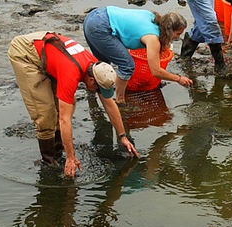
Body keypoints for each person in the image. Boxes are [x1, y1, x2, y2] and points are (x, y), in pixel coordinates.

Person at [8, 31, 138, 177]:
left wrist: (123, 137)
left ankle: (58, 155)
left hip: (50, 51)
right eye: (98, 89)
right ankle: (49, 163)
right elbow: (65, 119)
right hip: (25, 52)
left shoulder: (97, 68)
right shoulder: (71, 74)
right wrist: (71, 157)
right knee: (45, 113)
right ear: (91, 80)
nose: (98, 92)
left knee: (66, 104)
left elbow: (109, 104)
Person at [82, 6, 193, 99]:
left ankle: (91, 94)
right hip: (100, 28)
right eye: (178, 33)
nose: (178, 37)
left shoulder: (151, 17)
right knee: (127, 65)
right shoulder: (152, 38)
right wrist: (178, 79)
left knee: (102, 63)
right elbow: (156, 71)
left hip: (95, 16)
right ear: (169, 31)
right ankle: (120, 100)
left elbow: (128, 30)